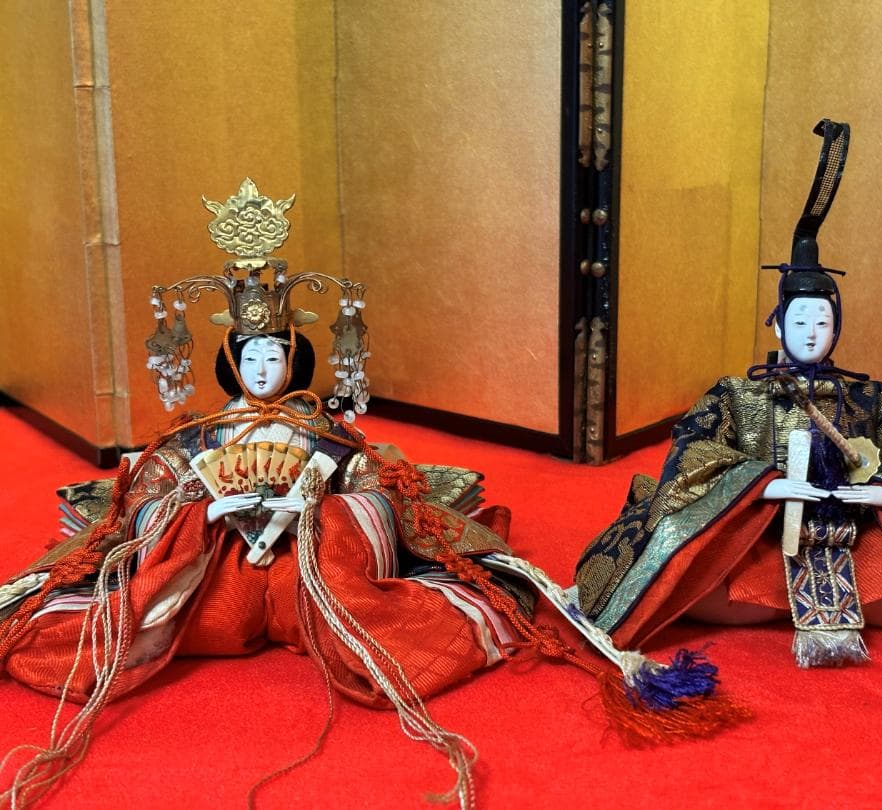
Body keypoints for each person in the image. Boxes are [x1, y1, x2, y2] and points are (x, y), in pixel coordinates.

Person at [0, 181, 535, 807]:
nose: (261, 370)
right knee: (217, 616)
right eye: (250, 356)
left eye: (274, 357)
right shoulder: (199, 435)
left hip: (308, 557)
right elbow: (145, 499)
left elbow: (375, 491)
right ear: (231, 358)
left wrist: (321, 512)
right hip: (215, 559)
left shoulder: (324, 432)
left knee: (332, 611)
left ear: (295, 360)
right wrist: (205, 512)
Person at [573, 120, 882, 667]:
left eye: (822, 321)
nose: (811, 333)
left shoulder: (869, 397)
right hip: (762, 535)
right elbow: (694, 453)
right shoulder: (736, 394)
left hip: (859, 535)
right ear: (777, 325)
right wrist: (763, 485)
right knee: (702, 586)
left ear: (837, 327)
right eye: (800, 321)